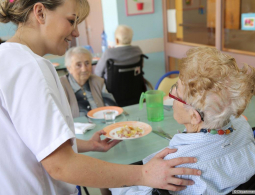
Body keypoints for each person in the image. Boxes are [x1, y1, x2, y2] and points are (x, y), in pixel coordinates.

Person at [0, 0, 201, 194]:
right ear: (40, 13)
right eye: (71, 20)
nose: (77, 32)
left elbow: (32, 141)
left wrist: (88, 145)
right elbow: (61, 166)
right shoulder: (31, 67)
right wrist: (144, 173)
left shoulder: (7, 57)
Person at [110, 47, 255, 195]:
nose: (171, 93)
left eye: (176, 90)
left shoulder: (178, 166)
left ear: (194, 116)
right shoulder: (243, 127)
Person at [60, 46, 116, 118]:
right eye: (78, 65)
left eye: (87, 63)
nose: (84, 69)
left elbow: (112, 107)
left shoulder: (98, 81)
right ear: (69, 68)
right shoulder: (61, 86)